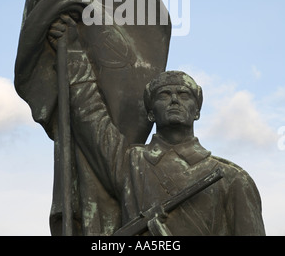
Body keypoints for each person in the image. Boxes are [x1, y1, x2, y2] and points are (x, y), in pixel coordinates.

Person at [48, 15, 266, 236]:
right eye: (164, 95)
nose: (174, 99)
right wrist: (74, 53)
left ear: (197, 111)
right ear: (150, 113)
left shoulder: (233, 180)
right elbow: (90, 116)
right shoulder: (130, 164)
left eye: (183, 94)